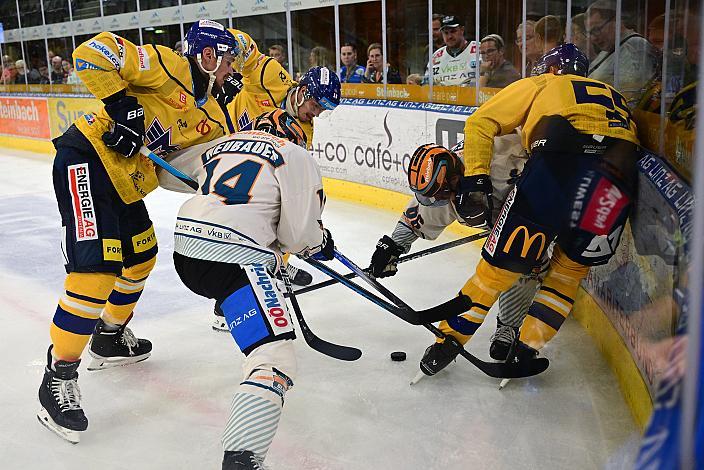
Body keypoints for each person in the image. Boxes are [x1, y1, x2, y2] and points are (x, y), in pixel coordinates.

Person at [36, 20, 244, 444]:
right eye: (227, 61)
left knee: (141, 257)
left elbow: (199, 163)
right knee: (96, 272)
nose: (232, 71)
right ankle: (57, 374)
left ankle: (108, 337)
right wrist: (122, 105)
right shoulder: (166, 65)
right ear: (208, 56)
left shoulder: (213, 111)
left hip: (125, 182)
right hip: (89, 159)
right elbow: (92, 54)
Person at [413, 44, 640, 377]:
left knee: (497, 271)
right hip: (621, 170)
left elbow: (480, 122)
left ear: (550, 69)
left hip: (561, 159)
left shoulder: (546, 83)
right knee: (568, 273)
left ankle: (447, 342)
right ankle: (526, 349)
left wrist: (476, 180)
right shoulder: (616, 96)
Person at [161, 109, 335, 469]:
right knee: (274, 360)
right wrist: (320, 243)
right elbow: (296, 236)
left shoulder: (223, 144)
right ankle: (241, 461)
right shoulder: (295, 153)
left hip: (188, 255)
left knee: (259, 334)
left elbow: (167, 173)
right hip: (235, 258)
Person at [369, 133, 541, 361]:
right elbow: (417, 217)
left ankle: (508, 326)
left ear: (455, 175)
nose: (438, 200)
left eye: (440, 194)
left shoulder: (502, 160)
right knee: (508, 263)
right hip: (500, 216)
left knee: (525, 265)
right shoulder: (443, 186)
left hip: (531, 212)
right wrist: (390, 247)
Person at [586, 0, 657, 105]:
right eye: (589, 33)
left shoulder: (634, 47)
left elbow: (630, 98)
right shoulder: (608, 50)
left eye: (596, 30)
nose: (593, 38)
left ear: (615, 21)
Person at [425, 15, 478, 86]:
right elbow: (426, 84)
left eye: (453, 31)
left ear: (462, 30)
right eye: (446, 33)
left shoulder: (479, 49)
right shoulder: (436, 56)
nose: (449, 36)